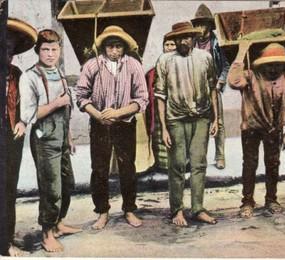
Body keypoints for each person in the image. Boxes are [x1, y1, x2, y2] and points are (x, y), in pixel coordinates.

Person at [76, 25, 148, 229]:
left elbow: (142, 99)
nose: (114, 51)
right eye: (110, 47)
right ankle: (102, 211)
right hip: (100, 126)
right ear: (104, 48)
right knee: (99, 169)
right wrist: (98, 115)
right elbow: (81, 95)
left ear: (124, 47)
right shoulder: (92, 65)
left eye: (118, 47)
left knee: (128, 167)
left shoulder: (133, 65)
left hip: (124, 124)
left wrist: (118, 113)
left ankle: (129, 209)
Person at [19, 29, 82, 253]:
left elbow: (67, 109)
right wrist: (56, 102)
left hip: (62, 139)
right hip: (44, 140)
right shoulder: (30, 77)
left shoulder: (59, 72)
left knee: (68, 184)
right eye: (45, 49)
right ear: (38, 51)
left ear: (59, 50)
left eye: (54, 49)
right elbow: (28, 115)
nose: (50, 54)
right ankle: (47, 234)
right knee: (51, 190)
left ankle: (58, 224)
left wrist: (69, 137)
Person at [227, 41, 285, 218]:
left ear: (283, 64)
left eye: (278, 64)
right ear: (263, 64)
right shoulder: (251, 75)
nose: (274, 68)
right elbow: (233, 81)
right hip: (251, 128)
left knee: (273, 164)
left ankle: (271, 199)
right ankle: (247, 202)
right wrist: (241, 51)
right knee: (250, 164)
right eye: (270, 64)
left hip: (274, 129)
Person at [155, 21, 218, 226]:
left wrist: (216, 119)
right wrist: (164, 127)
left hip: (201, 117)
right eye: (179, 38)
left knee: (199, 163)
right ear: (174, 40)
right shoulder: (165, 60)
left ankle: (198, 208)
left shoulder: (205, 58)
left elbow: (212, 89)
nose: (184, 41)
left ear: (193, 38)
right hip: (176, 119)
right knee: (177, 164)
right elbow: (160, 96)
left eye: (187, 37)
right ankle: (177, 210)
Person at [3, 17, 37, 257]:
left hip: (11, 135)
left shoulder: (17, 74)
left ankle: (5, 240)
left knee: (8, 189)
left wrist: (24, 122)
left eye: (10, 49)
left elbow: (27, 105)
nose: (7, 54)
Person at [191, 4, 230, 170]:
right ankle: (200, 157)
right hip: (195, 88)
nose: (200, 28)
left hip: (212, 87)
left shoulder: (216, 43)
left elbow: (226, 66)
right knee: (198, 122)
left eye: (203, 24)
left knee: (218, 122)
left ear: (209, 25)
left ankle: (220, 156)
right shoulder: (192, 43)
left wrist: (220, 82)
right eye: (197, 24)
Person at [148, 36, 176, 171]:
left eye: (172, 44)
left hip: (177, 109)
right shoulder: (154, 70)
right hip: (160, 107)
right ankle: (161, 165)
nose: (170, 48)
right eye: (167, 45)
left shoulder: (182, 65)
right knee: (160, 136)